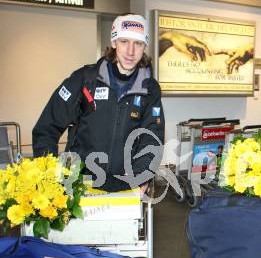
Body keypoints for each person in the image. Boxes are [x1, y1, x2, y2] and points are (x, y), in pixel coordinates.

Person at [32, 14, 165, 192]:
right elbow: (47, 127)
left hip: (124, 184)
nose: (131, 51)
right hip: (79, 182)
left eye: (138, 43)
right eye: (124, 41)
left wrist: (141, 176)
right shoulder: (84, 79)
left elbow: (151, 137)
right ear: (114, 42)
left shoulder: (150, 88)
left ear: (145, 46)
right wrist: (48, 174)